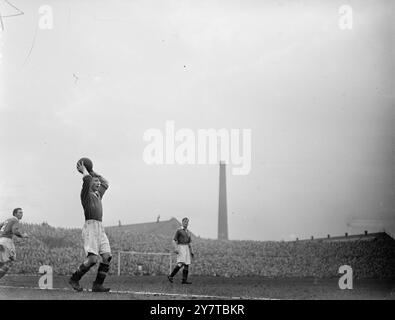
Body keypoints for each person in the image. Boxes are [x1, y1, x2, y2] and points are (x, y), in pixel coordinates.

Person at [69, 161, 112, 292]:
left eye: (98, 182)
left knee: (107, 256)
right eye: (95, 181)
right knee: (92, 259)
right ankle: (74, 279)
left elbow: (106, 183)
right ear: (90, 184)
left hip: (100, 227)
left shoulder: (98, 194)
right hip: (90, 227)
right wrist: (85, 171)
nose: (98, 183)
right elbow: (87, 179)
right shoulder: (85, 195)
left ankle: (97, 285)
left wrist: (93, 172)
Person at [0, 208, 28, 279]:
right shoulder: (15, 220)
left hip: (1, 240)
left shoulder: (8, 220)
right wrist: (23, 235)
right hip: (7, 242)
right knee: (11, 260)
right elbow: (15, 231)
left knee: (2, 261)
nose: (22, 214)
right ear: (15, 214)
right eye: (20, 213)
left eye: (22, 212)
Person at [167, 217, 194, 284]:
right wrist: (176, 248)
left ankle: (184, 280)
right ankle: (171, 276)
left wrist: (192, 251)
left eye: (187, 222)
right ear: (182, 222)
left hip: (187, 248)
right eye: (185, 222)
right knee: (181, 263)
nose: (186, 223)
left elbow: (190, 242)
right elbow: (174, 240)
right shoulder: (179, 230)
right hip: (181, 247)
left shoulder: (188, 232)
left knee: (187, 264)